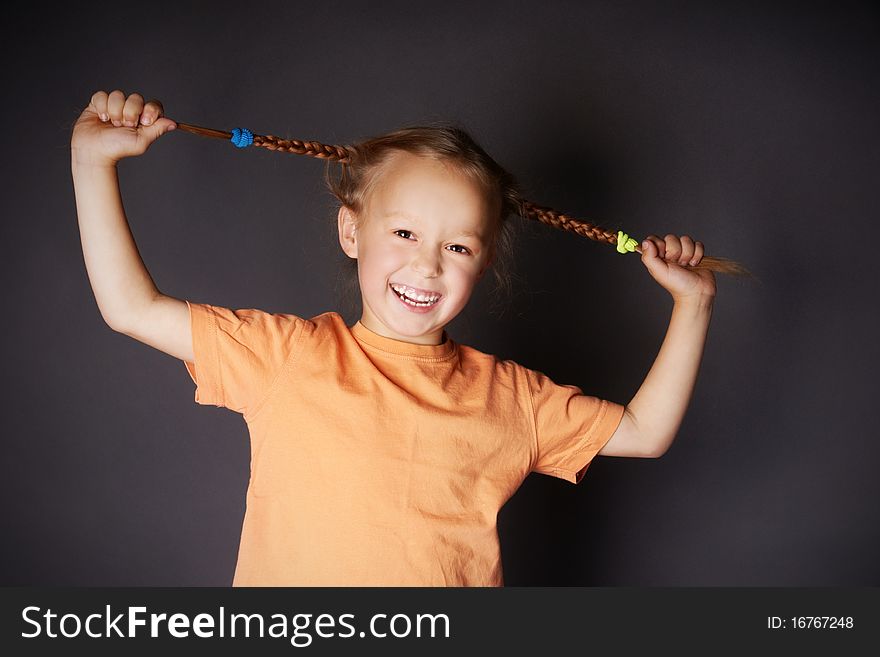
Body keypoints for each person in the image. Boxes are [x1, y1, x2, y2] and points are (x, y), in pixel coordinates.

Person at [71, 89, 722, 587]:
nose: (427, 264)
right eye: (404, 233)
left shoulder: (512, 398)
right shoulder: (288, 356)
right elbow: (129, 307)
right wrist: (91, 162)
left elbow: (644, 430)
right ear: (351, 232)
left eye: (458, 245)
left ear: (487, 257)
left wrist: (692, 302)